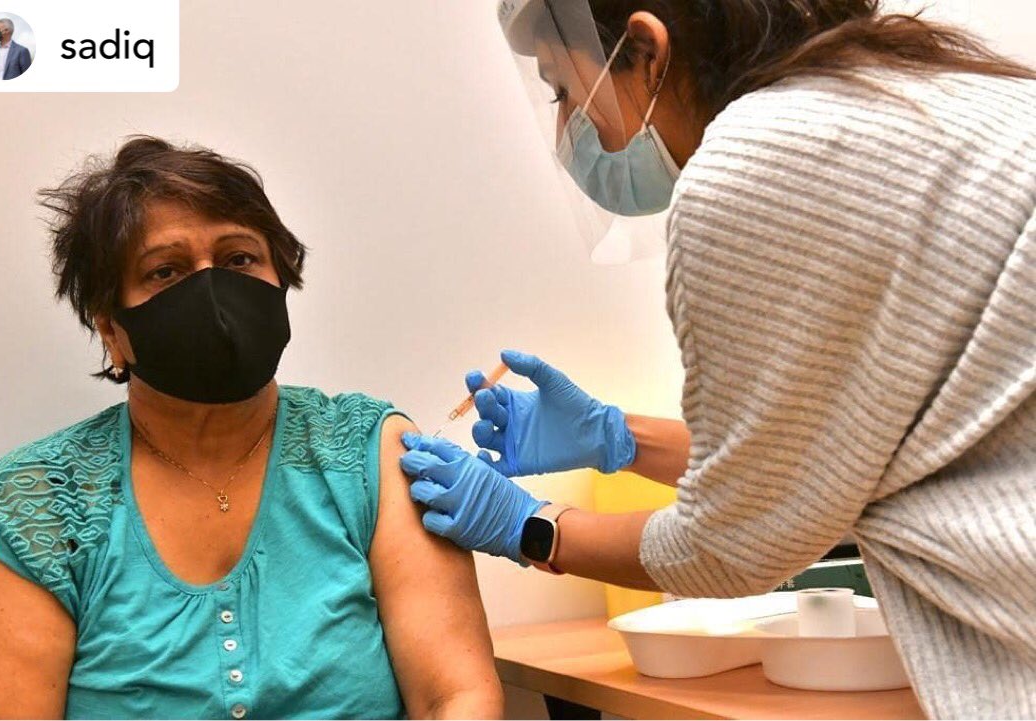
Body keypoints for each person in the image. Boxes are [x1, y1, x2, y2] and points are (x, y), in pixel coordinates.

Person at [399, 1, 1036, 718]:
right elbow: (819, 469)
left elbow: (733, 548)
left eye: (562, 88)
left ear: (645, 48)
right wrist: (620, 437)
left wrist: (530, 524)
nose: (566, 125)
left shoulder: (755, 161)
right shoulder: (921, 90)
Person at [0, 137, 503, 719]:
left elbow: (456, 697)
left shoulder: (366, 453)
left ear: (281, 280)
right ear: (112, 331)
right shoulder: (36, 503)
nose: (212, 293)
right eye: (165, 271)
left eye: (240, 259)